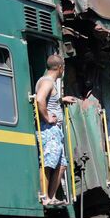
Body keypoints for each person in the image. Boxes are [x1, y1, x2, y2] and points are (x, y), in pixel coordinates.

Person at [35, 54, 77, 206]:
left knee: (61, 165)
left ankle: (51, 197)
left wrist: (61, 100)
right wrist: (47, 118)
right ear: (60, 68)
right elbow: (40, 99)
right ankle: (44, 197)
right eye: (63, 68)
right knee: (48, 163)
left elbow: (47, 100)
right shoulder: (47, 82)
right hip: (49, 129)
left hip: (55, 130)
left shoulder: (48, 81)